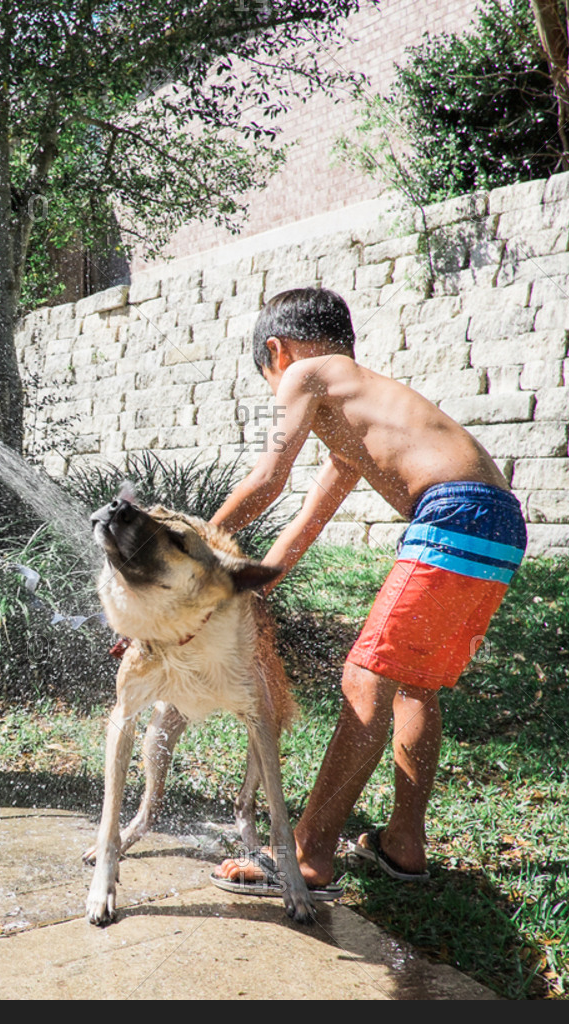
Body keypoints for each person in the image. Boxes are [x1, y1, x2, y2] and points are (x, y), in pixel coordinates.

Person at [209, 287, 526, 889]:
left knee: (366, 676)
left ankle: (307, 853)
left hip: (454, 512)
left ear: (277, 352)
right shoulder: (359, 421)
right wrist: (250, 588)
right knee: (413, 683)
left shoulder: (307, 373)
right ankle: (404, 842)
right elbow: (305, 524)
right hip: (499, 522)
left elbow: (268, 478)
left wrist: (197, 537)